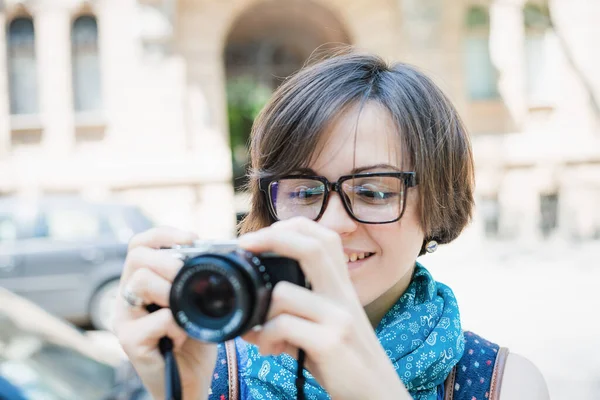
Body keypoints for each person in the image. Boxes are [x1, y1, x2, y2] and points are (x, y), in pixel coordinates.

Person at [112, 51, 549, 400]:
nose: (332, 225)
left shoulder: (500, 385)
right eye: (304, 192)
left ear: (437, 206)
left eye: (374, 192)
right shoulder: (208, 366)